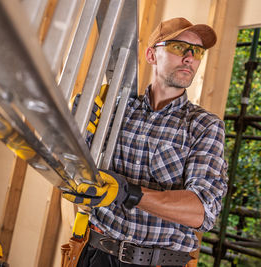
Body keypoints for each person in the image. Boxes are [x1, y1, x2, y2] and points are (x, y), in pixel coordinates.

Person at [62, 17, 228, 267]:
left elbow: (201, 212)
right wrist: (74, 130)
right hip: (97, 255)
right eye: (179, 47)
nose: (190, 57)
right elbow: (72, 178)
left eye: (197, 51)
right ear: (151, 55)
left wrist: (128, 192)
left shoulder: (204, 126)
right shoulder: (114, 112)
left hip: (160, 262)